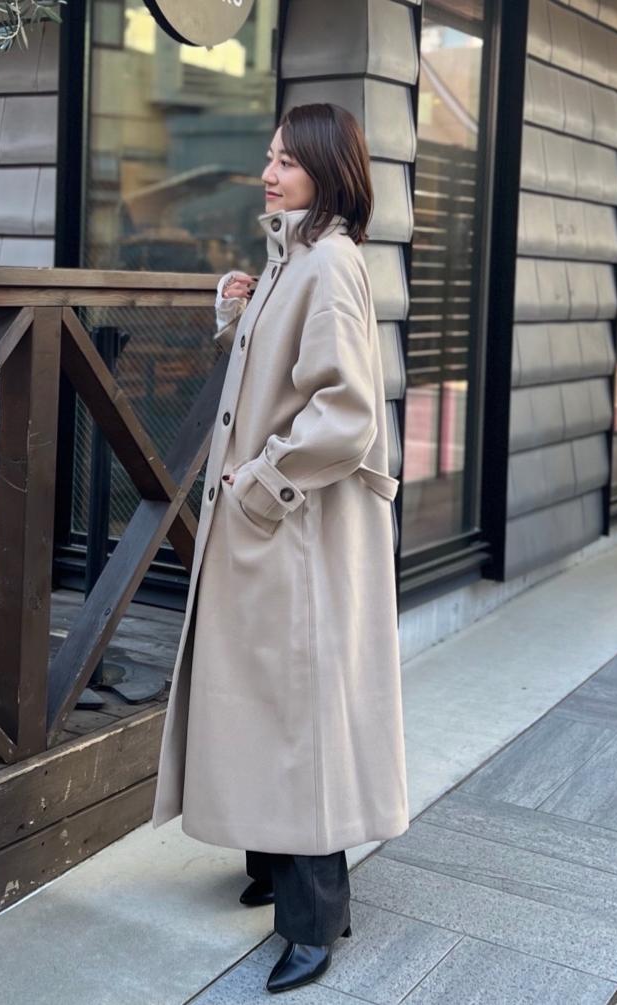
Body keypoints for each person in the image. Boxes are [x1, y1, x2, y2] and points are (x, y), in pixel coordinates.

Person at [151, 102, 409, 994]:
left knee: (296, 711)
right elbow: (284, 375)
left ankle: (314, 916)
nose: (268, 173)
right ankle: (270, 859)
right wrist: (240, 312)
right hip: (271, 524)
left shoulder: (328, 262)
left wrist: (260, 484)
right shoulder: (293, 256)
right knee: (260, 695)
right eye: (268, 157)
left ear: (328, 172)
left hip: (294, 528)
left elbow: (344, 413)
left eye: (288, 161)